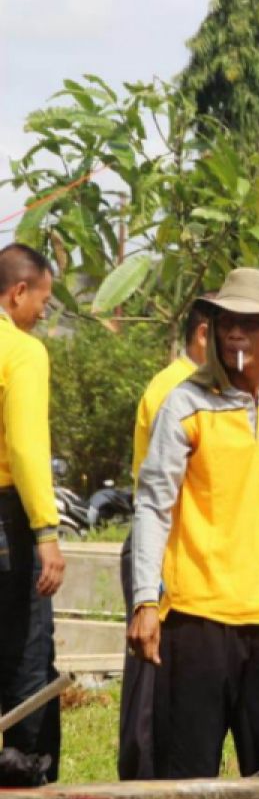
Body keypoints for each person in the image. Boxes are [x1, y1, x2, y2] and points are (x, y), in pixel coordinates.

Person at [127, 268, 259, 778]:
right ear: (211, 331)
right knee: (186, 776)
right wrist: (146, 600)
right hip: (196, 621)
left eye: (250, 323)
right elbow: (152, 505)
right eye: (226, 321)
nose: (236, 333)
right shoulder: (185, 405)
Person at [118, 297, 210, 780]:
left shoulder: (185, 384)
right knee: (153, 676)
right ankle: (145, 779)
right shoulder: (180, 390)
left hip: (171, 540)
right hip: (165, 542)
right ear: (203, 336)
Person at [0, 243, 63, 786]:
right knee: (26, 651)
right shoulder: (19, 351)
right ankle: (24, 772)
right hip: (7, 520)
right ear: (18, 292)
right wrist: (46, 531)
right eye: (42, 300)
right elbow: (24, 447)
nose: (42, 314)